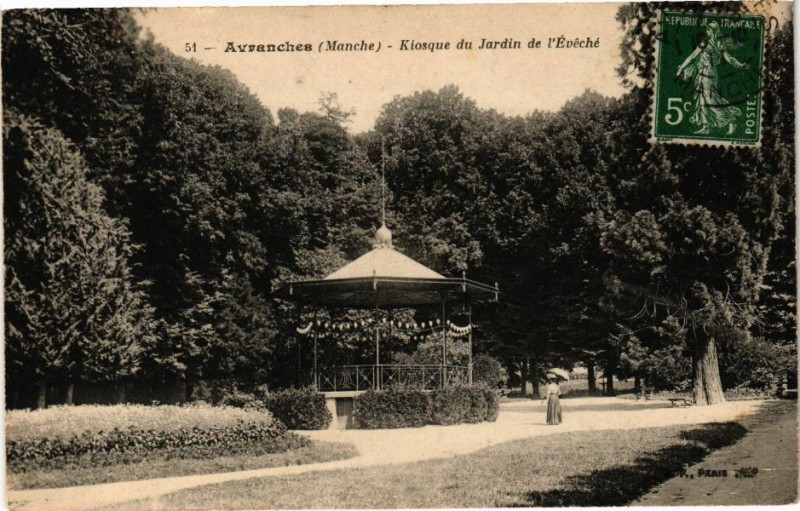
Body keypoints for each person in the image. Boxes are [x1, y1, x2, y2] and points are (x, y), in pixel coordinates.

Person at [676, 21, 749, 135]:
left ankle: (731, 119)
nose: (707, 31)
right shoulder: (713, 43)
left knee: (710, 100)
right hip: (704, 72)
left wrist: (741, 65)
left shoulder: (713, 43)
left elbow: (728, 58)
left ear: (713, 30)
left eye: (709, 29)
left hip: (708, 73)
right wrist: (741, 65)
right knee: (702, 98)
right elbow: (693, 56)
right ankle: (706, 127)